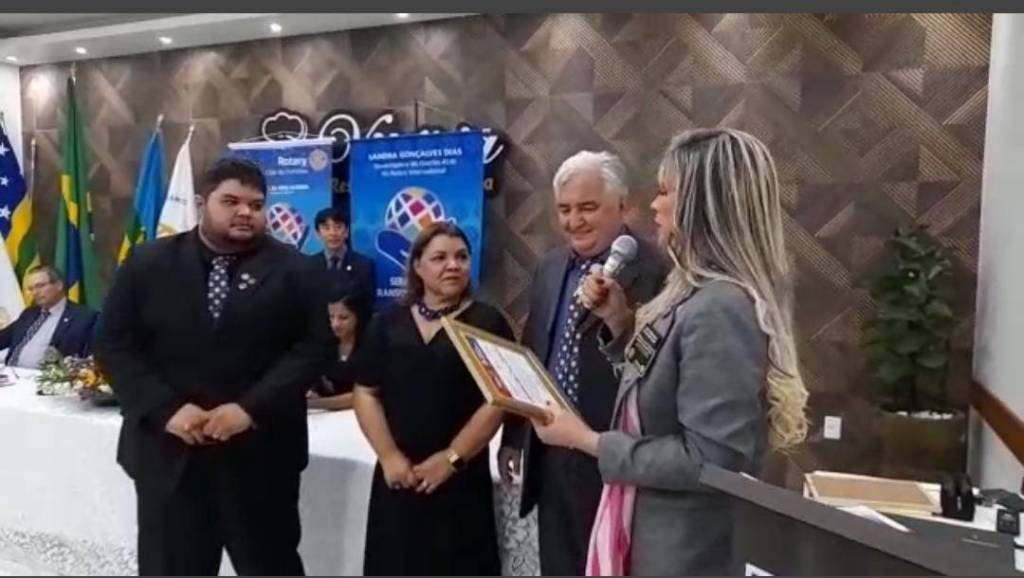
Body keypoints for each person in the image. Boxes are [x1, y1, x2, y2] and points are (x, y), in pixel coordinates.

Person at [532, 129, 810, 575]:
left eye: (666, 191)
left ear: (702, 206)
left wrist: (587, 440)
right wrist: (620, 325)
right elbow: (662, 389)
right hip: (648, 531)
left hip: (683, 551)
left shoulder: (721, 306)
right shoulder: (691, 293)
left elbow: (710, 459)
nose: (655, 206)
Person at [94, 157, 334, 576]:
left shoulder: (298, 269)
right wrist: (166, 409)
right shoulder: (149, 263)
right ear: (202, 203)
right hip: (170, 457)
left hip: (261, 458)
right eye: (231, 201)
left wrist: (250, 409)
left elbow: (315, 348)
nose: (245, 212)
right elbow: (113, 344)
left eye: (256, 205)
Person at [497, 151, 667, 575]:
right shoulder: (551, 266)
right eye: (565, 209)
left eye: (588, 207)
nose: (574, 221)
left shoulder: (657, 271)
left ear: (623, 207)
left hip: (615, 451)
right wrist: (515, 433)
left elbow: (660, 368)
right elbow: (534, 348)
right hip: (551, 450)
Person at [352, 222, 513, 575]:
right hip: (399, 476)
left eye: (461, 257)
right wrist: (389, 456)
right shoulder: (386, 323)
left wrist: (452, 458)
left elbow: (498, 399)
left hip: (460, 480)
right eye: (440, 258)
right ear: (417, 266)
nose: (453, 265)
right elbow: (365, 391)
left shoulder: (488, 322)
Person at [0, 264, 98, 368]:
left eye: (40, 286)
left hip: (48, 376)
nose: (35, 292)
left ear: (59, 285)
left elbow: (89, 358)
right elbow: (3, 338)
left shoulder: (83, 317)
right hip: (11, 373)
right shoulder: (29, 313)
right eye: (31, 289)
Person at [307, 284, 368, 412]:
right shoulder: (323, 343)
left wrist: (315, 403)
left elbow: (361, 396)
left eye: (343, 318)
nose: (335, 324)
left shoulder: (370, 344)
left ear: (358, 316)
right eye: (331, 317)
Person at [310, 207, 376, 312]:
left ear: (346, 232)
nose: (333, 233)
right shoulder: (309, 265)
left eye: (338, 227)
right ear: (318, 234)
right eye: (326, 228)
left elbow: (368, 305)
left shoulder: (364, 265)